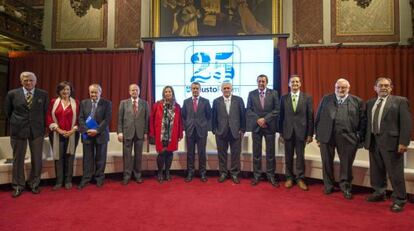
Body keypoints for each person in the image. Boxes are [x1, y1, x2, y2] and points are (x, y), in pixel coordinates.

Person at [364, 77, 412, 212]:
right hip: (373, 142)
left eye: (386, 85)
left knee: (395, 173)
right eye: (380, 85)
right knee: (376, 171)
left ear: (391, 88)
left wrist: (403, 142)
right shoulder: (370, 103)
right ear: (375, 88)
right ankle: (379, 193)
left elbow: (406, 123)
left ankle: (400, 199)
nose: (383, 88)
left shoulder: (400, 101)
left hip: (392, 143)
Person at [315, 78, 366, 199]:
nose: (340, 90)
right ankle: (328, 185)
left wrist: (358, 136)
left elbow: (363, 121)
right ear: (335, 88)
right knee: (326, 162)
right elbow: (318, 117)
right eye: (338, 87)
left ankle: (345, 186)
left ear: (348, 88)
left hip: (348, 137)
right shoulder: (326, 99)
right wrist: (318, 135)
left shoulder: (357, 101)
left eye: (343, 87)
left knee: (346, 164)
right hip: (327, 137)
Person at [5, 71, 49, 197]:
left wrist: (44, 129)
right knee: (18, 159)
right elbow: (8, 112)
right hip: (18, 131)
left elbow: (44, 112)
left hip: (37, 131)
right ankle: (18, 185)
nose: (28, 82)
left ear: (35, 81)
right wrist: (17, 123)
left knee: (37, 159)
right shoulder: (12, 94)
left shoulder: (43, 94)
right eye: (25, 80)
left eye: (31, 80)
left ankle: (34, 184)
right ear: (21, 81)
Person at [279, 75, 314, 190]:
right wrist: (281, 133)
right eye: (292, 82)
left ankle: (300, 178)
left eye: (297, 82)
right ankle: (289, 178)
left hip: (301, 133)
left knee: (300, 157)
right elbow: (281, 117)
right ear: (289, 84)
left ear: (300, 84)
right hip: (287, 132)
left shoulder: (307, 98)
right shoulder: (284, 98)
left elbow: (310, 117)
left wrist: (309, 134)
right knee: (288, 156)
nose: (294, 84)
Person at [246, 74, 279, 187]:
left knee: (270, 153)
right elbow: (249, 110)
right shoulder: (251, 94)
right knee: (256, 153)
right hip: (256, 127)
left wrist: (265, 119)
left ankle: (271, 175)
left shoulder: (274, 93)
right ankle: (257, 175)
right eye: (259, 81)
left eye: (263, 81)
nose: (261, 83)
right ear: (257, 82)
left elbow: (276, 110)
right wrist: (258, 120)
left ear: (266, 82)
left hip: (270, 127)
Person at [46, 81, 80, 190]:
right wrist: (58, 130)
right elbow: (48, 117)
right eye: (63, 89)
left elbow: (80, 118)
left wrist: (72, 130)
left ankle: (68, 180)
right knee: (58, 157)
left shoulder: (76, 103)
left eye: (68, 89)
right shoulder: (53, 102)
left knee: (70, 157)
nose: (65, 91)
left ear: (71, 91)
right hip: (56, 134)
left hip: (72, 134)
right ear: (59, 91)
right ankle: (59, 181)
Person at [78, 84, 112, 189]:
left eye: (96, 92)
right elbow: (81, 118)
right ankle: (86, 178)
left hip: (101, 134)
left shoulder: (107, 103)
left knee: (100, 158)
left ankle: (99, 178)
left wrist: (96, 130)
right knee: (87, 158)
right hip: (87, 134)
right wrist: (87, 130)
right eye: (91, 92)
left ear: (100, 92)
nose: (93, 94)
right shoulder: (84, 103)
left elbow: (107, 119)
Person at [212, 82, 246, 184]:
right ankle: (223, 173)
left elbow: (243, 116)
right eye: (224, 88)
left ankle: (234, 174)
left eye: (228, 88)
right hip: (221, 132)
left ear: (231, 89)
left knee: (235, 154)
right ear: (221, 90)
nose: (226, 90)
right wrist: (215, 130)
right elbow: (213, 117)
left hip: (235, 131)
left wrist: (243, 129)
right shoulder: (216, 101)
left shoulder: (239, 100)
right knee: (222, 154)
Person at [149, 86, 183, 183]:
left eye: (170, 92)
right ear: (163, 93)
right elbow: (151, 119)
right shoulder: (157, 105)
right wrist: (152, 133)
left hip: (172, 133)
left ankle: (167, 172)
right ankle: (160, 173)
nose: (168, 93)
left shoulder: (177, 106)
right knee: (162, 153)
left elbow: (180, 121)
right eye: (166, 92)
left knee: (170, 153)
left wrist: (180, 134)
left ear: (172, 94)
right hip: (161, 133)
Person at [117, 84, 149, 185]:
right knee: (127, 156)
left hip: (139, 133)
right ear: (129, 92)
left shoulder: (144, 103)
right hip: (127, 133)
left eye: (136, 90)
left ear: (139, 91)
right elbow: (120, 119)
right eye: (132, 90)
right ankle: (126, 176)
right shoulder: (123, 103)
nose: (134, 92)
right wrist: (120, 132)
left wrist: (145, 132)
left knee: (138, 156)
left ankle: (138, 175)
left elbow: (146, 120)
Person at [182, 82, 212, 182]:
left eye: (197, 88)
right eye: (193, 88)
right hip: (190, 131)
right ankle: (190, 172)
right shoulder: (186, 102)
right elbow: (184, 116)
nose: (195, 90)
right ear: (191, 89)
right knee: (190, 153)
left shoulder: (206, 101)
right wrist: (187, 126)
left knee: (201, 153)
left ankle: (202, 173)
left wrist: (203, 125)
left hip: (201, 131)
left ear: (200, 89)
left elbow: (209, 116)